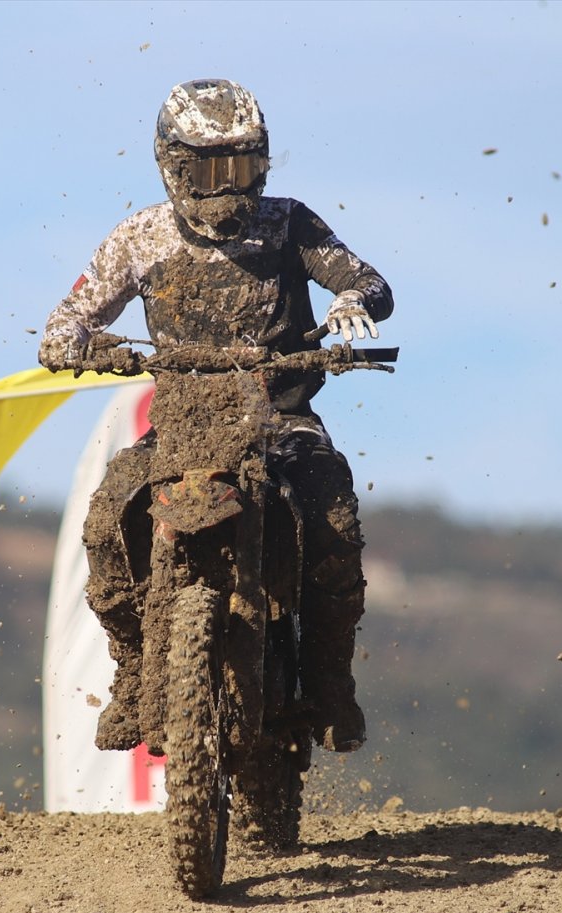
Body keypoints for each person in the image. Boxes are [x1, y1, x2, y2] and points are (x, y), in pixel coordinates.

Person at [39, 79, 394, 755]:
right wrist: (71, 339)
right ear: (173, 164)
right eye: (211, 168)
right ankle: (135, 677)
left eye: (243, 166)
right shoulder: (139, 236)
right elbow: (71, 312)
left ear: (263, 163)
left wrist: (353, 304)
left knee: (335, 529)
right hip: (179, 427)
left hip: (281, 421)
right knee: (105, 525)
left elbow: (368, 279)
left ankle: (329, 684)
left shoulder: (290, 224)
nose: (229, 186)